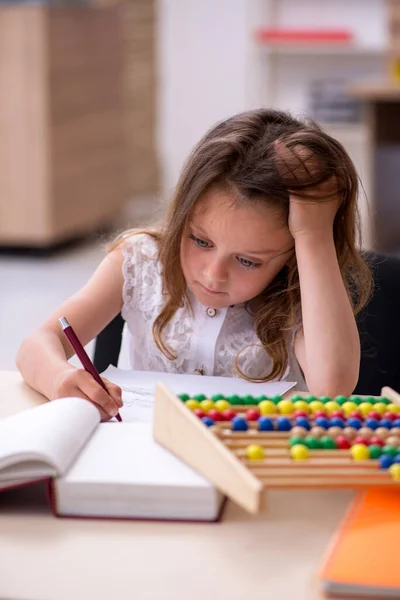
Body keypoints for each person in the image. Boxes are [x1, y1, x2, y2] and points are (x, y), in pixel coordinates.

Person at [16, 108, 372, 421]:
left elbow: (332, 386)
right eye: (201, 241)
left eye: (248, 261)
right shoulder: (139, 260)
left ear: (292, 255)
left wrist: (313, 233)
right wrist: (57, 377)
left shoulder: (298, 290)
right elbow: (39, 342)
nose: (213, 273)